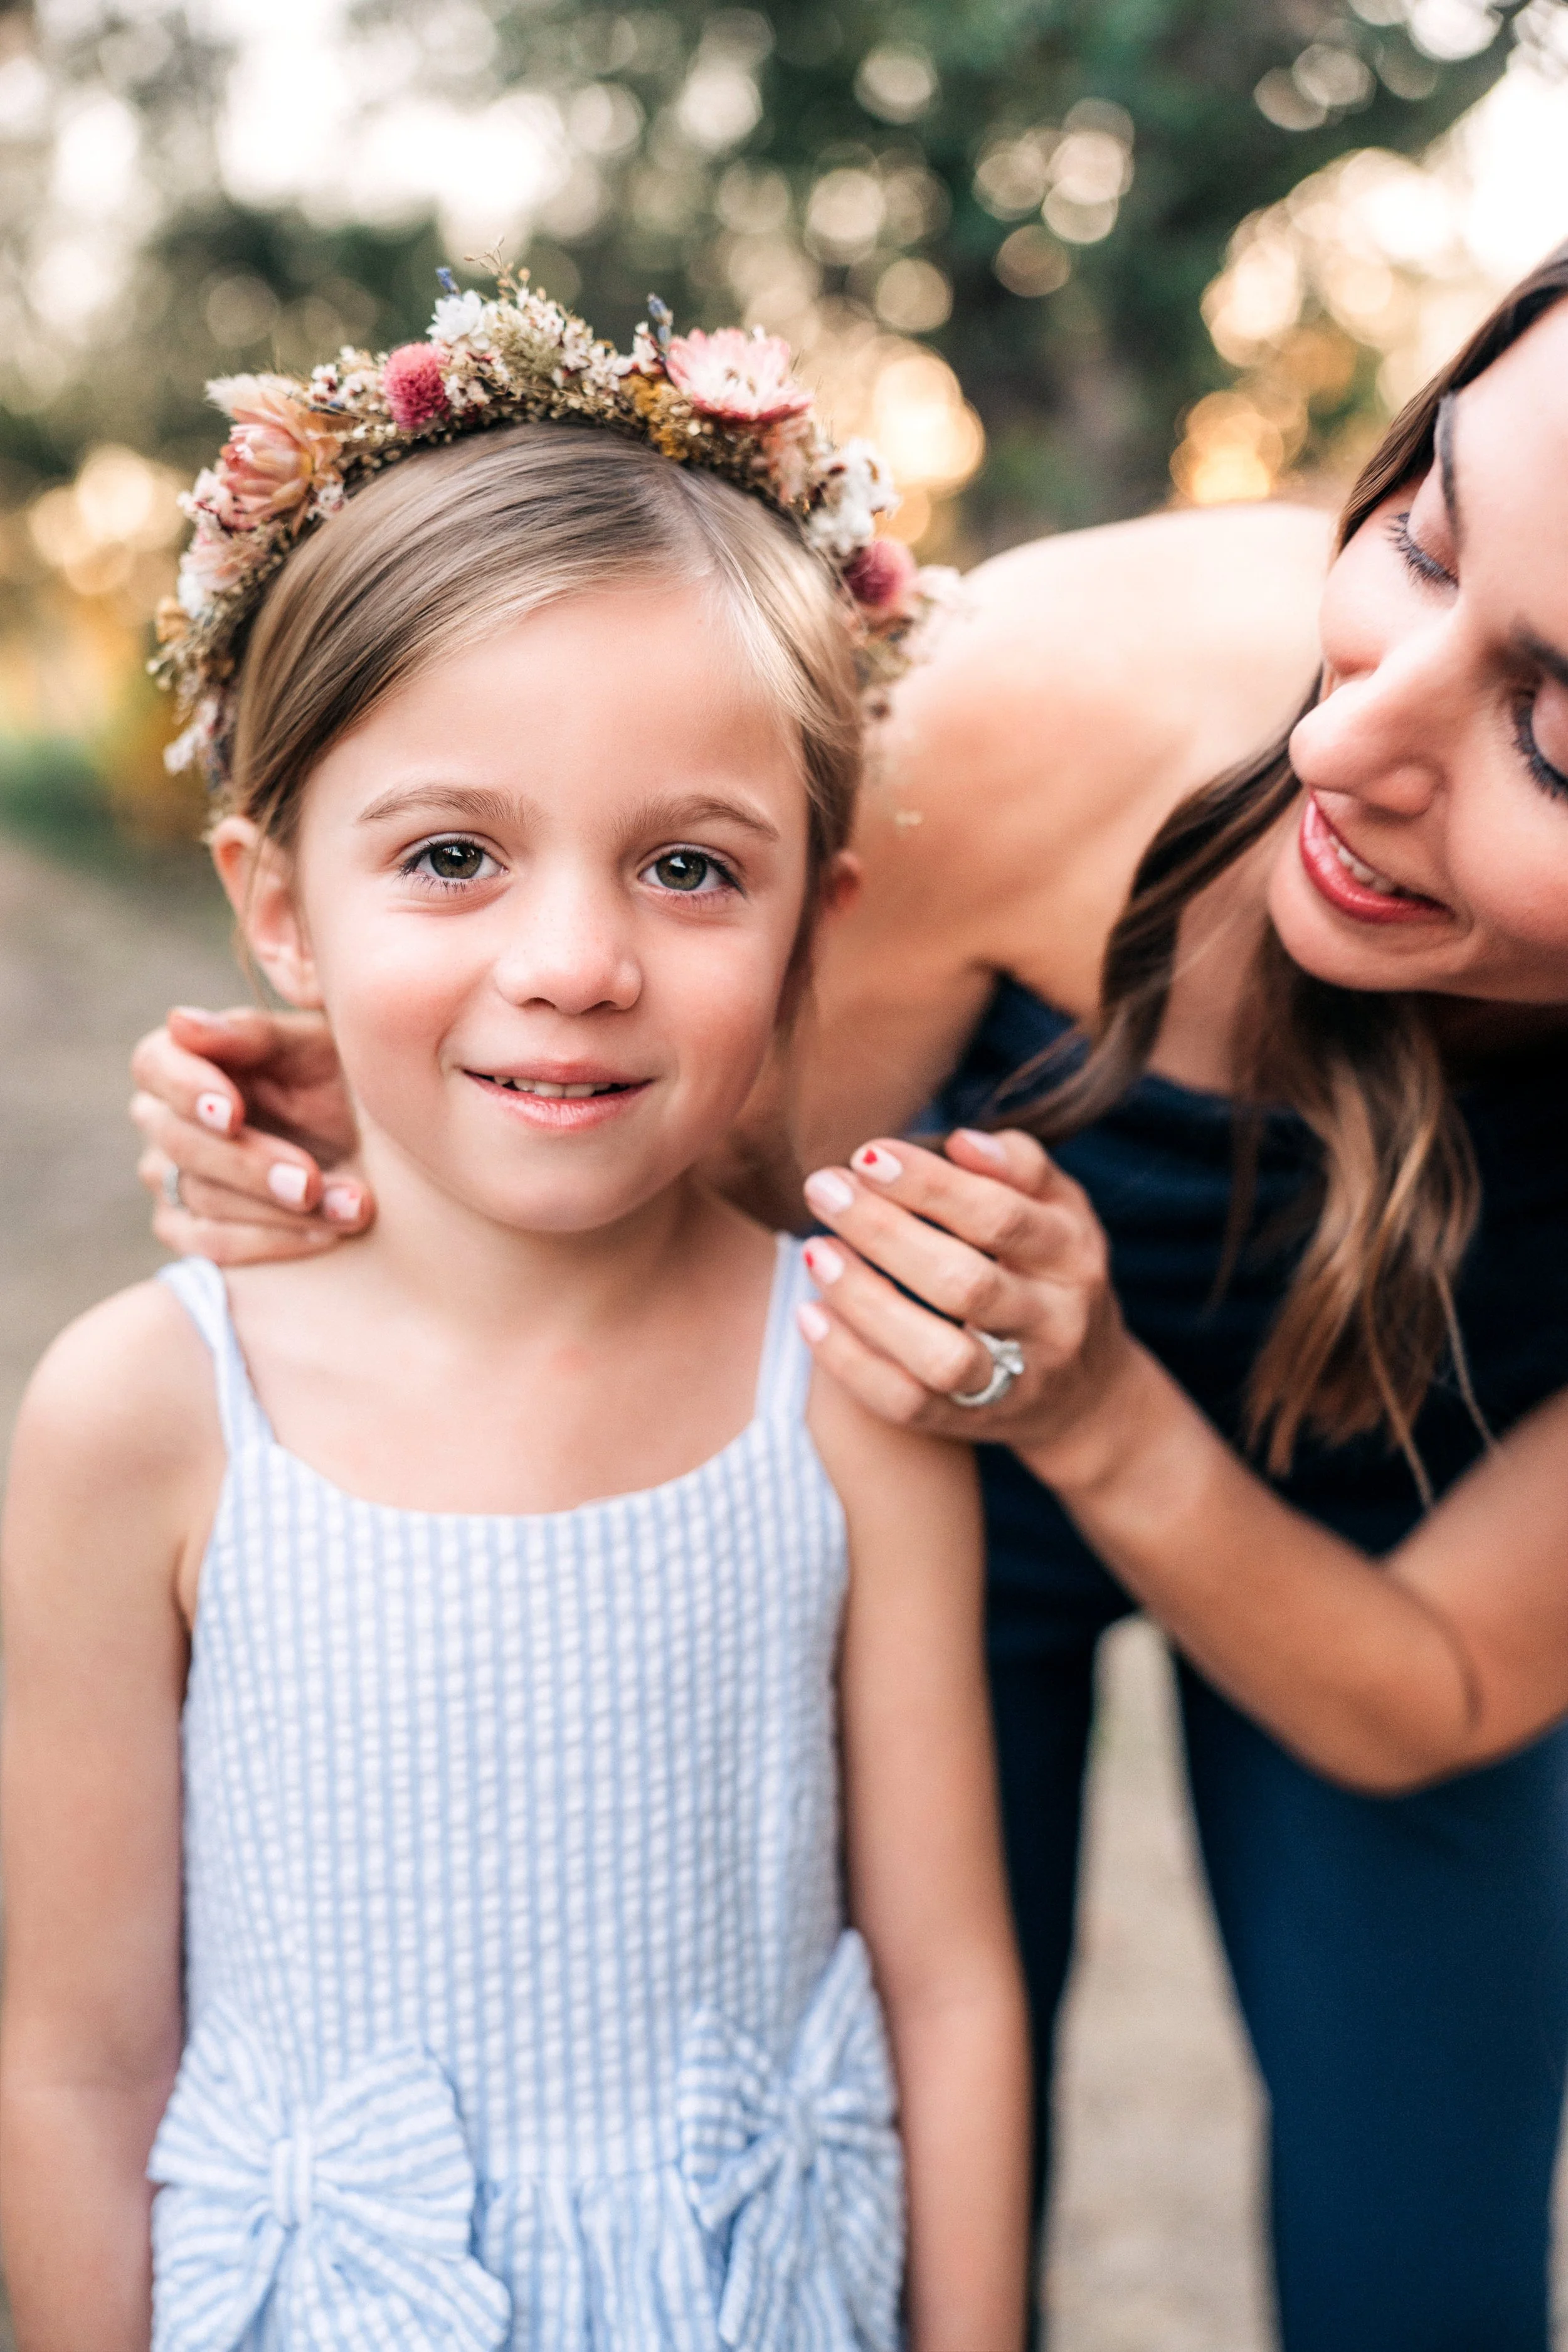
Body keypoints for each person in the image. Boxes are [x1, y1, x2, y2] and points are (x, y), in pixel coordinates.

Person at [127, 245, 1568, 2350]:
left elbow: (1431, 1684)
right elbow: (682, 1140)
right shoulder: (1037, 712)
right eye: (1418, 540)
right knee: (899, 2149)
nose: (1346, 731)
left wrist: (1097, 1417)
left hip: (1393, 1544)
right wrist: (371, 1123)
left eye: (1557, 731)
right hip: (924, 1452)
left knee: (1419, 2256)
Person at [0, 292, 1031, 2352]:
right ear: (277, 899)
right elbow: (76, 2057)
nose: (572, 961)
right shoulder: (144, 1413)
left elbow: (947, 1986)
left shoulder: (840, 1381)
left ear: (813, 913)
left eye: (685, 866)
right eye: (453, 854)